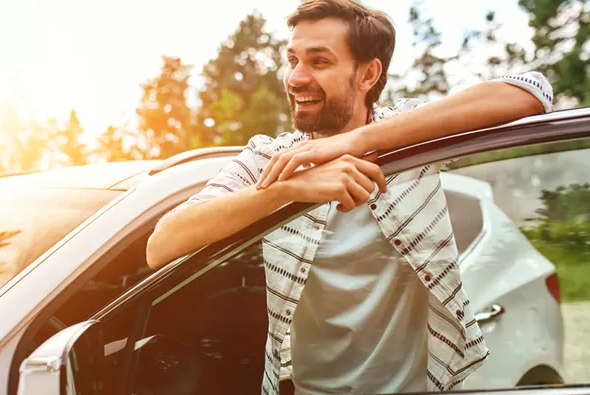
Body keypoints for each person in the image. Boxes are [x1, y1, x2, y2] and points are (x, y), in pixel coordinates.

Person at [145, 0, 554, 394]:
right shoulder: (270, 159)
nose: (296, 78)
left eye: (319, 62)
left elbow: (533, 91)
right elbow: (162, 244)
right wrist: (289, 190)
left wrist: (352, 143)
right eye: (292, 61)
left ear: (368, 75)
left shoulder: (408, 138)